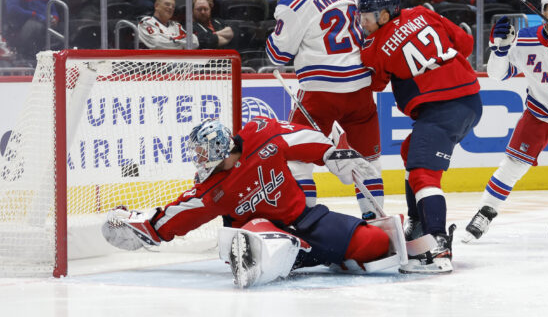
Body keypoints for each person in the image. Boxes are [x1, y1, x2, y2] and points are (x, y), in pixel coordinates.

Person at [101, 117, 402, 288]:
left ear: (220, 149)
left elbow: (300, 137)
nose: (199, 160)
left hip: (307, 222)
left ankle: (335, 255)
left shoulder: (262, 134)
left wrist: (330, 153)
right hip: (267, 237)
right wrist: (138, 226)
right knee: (258, 231)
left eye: (203, 153)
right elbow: (172, 218)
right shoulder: (210, 191)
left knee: (376, 242)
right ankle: (251, 258)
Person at [358, 0, 482, 274]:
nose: (362, 22)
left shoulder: (376, 45)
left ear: (385, 15)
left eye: (367, 16)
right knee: (410, 151)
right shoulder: (424, 13)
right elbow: (465, 43)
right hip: (471, 101)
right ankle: (417, 225)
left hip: (441, 108)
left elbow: (375, 84)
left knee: (423, 174)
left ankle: (438, 245)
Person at [265, 0, 383, 221]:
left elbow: (277, 56)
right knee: (369, 161)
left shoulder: (291, 4)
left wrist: (276, 32)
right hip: (361, 90)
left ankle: (306, 221)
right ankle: (376, 221)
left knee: (297, 157)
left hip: (321, 94)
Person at [463, 0, 548, 244]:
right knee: (513, 166)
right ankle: (485, 212)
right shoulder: (524, 39)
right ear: (543, 11)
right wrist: (499, 51)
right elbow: (498, 75)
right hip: (539, 111)